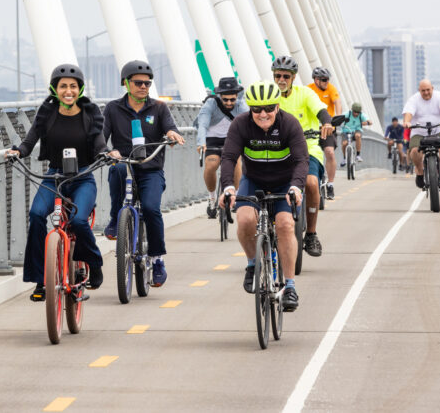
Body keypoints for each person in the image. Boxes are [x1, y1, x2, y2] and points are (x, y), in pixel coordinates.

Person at [6, 63, 107, 302]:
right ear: (55, 89)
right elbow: (30, 141)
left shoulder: (91, 112)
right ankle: (41, 280)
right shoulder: (47, 112)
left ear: (80, 89)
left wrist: (106, 153)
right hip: (54, 176)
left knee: (79, 221)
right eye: (63, 86)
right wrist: (18, 152)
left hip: (83, 177)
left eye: (73, 86)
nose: (68, 90)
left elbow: (99, 141)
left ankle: (94, 262)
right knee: (37, 214)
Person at [217, 80, 308, 311]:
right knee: (246, 220)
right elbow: (228, 158)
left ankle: (289, 286)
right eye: (256, 109)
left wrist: (296, 187)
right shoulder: (240, 125)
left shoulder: (290, 125)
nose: (263, 114)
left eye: (268, 108)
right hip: (254, 181)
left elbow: (301, 161)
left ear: (277, 106)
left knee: (286, 226)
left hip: (284, 183)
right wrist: (228, 187)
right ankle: (252, 264)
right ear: (250, 109)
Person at [103, 60, 185, 287]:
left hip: (151, 168)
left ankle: (157, 259)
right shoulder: (112, 108)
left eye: (147, 83)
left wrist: (171, 133)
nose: (144, 87)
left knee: (150, 209)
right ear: (126, 84)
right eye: (138, 83)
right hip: (126, 164)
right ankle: (114, 218)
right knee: (117, 169)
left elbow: (171, 127)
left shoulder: (159, 108)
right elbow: (101, 136)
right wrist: (110, 151)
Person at [272, 56, 333, 258]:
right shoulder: (270, 95)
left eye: (286, 76)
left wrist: (326, 122)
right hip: (277, 151)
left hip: (307, 149)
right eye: (278, 76)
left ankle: (311, 234)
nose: (281, 80)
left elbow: (321, 111)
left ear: (293, 77)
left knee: (312, 183)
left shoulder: (305, 93)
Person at [196, 76, 248, 217]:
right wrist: (201, 142)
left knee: (237, 163)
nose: (229, 102)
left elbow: (249, 125)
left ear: (237, 96)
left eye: (232, 99)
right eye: (225, 99)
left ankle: (235, 197)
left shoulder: (241, 105)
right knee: (211, 166)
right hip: (212, 139)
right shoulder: (211, 104)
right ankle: (212, 198)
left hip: (232, 139)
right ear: (219, 96)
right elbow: (203, 124)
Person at [402, 79, 440, 192]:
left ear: (432, 88)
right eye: (423, 91)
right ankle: (420, 171)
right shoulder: (413, 100)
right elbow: (409, 113)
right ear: (419, 91)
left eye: (428, 90)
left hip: (438, 130)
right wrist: (407, 122)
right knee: (414, 151)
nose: (426, 93)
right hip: (419, 132)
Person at [308, 67, 342, 199]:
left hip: (328, 127)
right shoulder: (309, 89)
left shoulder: (331, 89)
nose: (326, 82)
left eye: (328, 79)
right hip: (311, 128)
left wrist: (337, 118)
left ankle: (330, 184)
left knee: (329, 152)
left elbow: (337, 102)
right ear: (316, 80)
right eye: (323, 80)